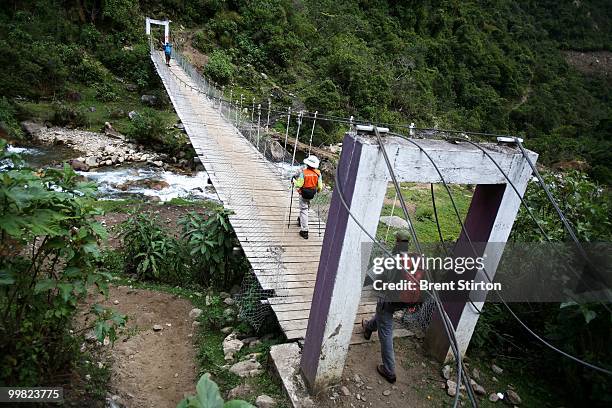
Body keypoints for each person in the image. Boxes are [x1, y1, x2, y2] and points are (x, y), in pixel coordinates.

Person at [362, 230, 424, 383]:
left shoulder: (388, 257)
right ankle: (369, 327)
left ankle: (389, 370)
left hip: (387, 300)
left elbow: (370, 278)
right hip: (402, 302)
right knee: (383, 316)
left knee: (386, 331)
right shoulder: (412, 259)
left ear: (396, 241)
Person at [292, 155, 322, 239]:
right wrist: (318, 191)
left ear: (307, 164)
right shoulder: (318, 173)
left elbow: (299, 184)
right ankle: (300, 219)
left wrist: (294, 181)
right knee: (306, 207)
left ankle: (304, 230)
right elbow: (320, 186)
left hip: (304, 193)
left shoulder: (304, 173)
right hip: (312, 193)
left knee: (304, 209)